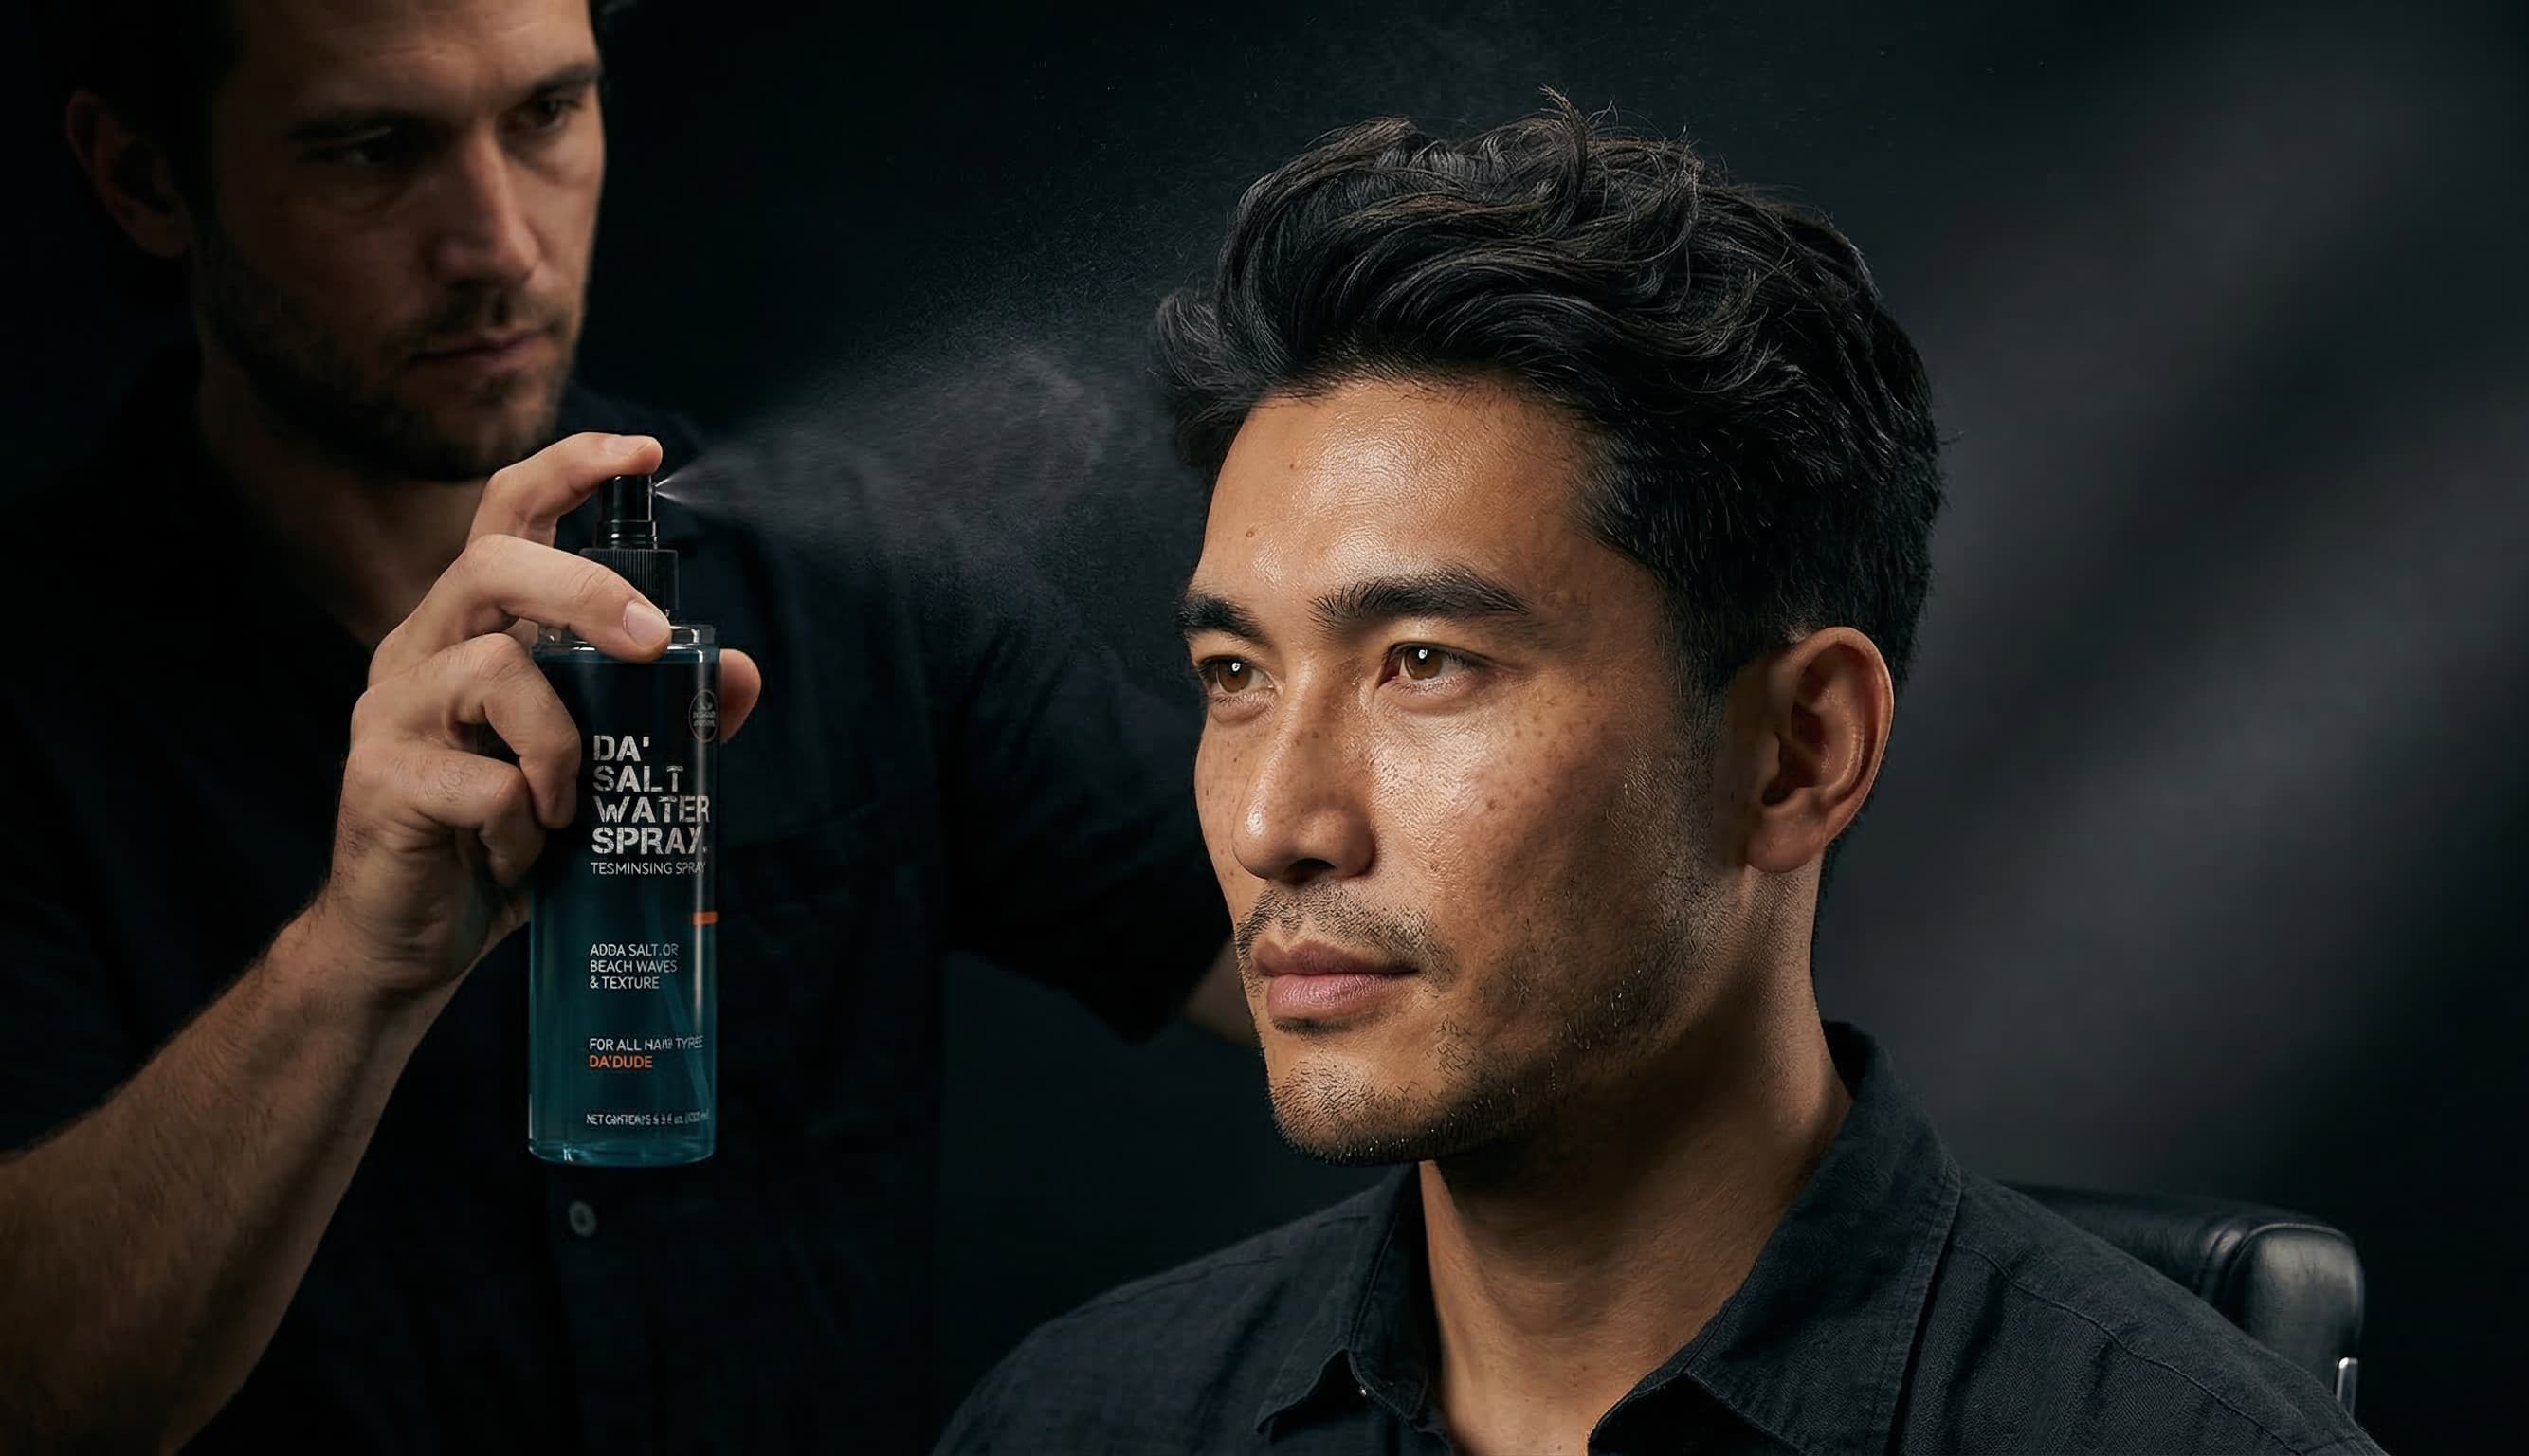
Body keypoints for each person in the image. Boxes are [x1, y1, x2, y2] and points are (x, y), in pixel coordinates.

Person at [937, 99, 2391, 1455]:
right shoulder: (1083, 1418)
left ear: (1799, 750)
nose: (1276, 824)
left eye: (1426, 661)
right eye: (1234, 677)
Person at [1, 0, 1243, 1448]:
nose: (498, 247)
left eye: (545, 116)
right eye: (370, 149)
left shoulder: (847, 581)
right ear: (145, 177)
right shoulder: (32, 700)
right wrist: (357, 966)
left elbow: (1346, 939)